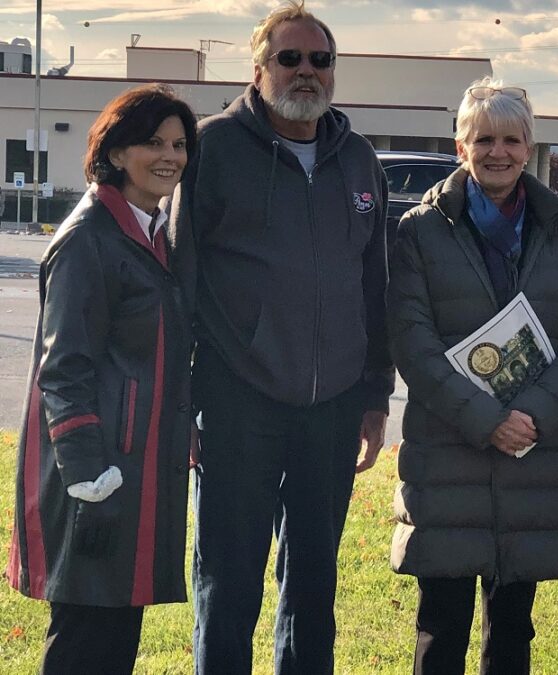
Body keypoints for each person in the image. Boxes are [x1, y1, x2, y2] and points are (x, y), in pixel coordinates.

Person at [169, 2, 393, 673]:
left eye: (319, 60)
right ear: (258, 67)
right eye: (289, 58)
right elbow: (179, 281)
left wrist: (375, 395)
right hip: (237, 402)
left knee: (314, 585)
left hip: (334, 408)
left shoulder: (359, 160)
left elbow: (374, 286)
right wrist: (181, 404)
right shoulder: (211, 149)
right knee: (228, 581)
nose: (305, 72)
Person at [387, 77, 558, 674]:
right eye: (483, 139)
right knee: (440, 627)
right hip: (448, 454)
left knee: (513, 631)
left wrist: (533, 414)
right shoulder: (420, 229)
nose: (498, 152)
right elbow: (412, 341)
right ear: (460, 146)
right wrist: (487, 420)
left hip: (532, 455)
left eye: (511, 140)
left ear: (528, 147)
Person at [7, 83, 197, 674]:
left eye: (179, 144)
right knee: (84, 639)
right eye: (153, 142)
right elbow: (63, 369)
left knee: (114, 635)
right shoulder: (89, 238)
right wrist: (89, 478)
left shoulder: (149, 231)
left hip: (133, 466)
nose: (169, 156)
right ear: (116, 152)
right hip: (97, 472)